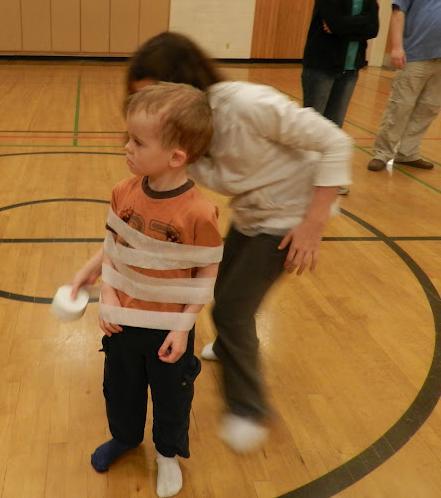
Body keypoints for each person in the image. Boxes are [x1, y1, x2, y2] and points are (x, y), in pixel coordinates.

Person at [73, 32, 353, 454]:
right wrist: (104, 260)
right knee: (228, 292)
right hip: (255, 211)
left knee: (233, 310)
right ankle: (228, 344)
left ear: (184, 87)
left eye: (153, 97)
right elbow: (142, 222)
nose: (144, 115)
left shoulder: (247, 106)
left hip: (294, 213)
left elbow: (336, 142)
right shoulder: (185, 142)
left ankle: (248, 407)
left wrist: (312, 225)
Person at [72, 82, 223, 498]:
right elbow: (113, 247)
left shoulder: (198, 212)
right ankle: (124, 436)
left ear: (176, 157)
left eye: (137, 141)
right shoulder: (123, 192)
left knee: (172, 396)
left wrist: (182, 327)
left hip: (169, 327)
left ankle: (167, 453)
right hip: (122, 319)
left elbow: (206, 273)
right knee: (119, 386)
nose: (127, 147)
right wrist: (101, 287)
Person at [302, 0, 379, 194]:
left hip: (350, 69)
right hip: (322, 66)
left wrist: (344, 27)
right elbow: (336, 23)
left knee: (335, 125)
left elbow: (373, 29)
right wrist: (359, 25)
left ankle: (327, 179)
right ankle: (304, 177)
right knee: (313, 124)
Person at [368, 0, 441, 172]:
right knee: (400, 106)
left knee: (429, 107)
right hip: (414, 55)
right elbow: (398, 13)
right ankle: (382, 153)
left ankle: (408, 152)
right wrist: (396, 47)